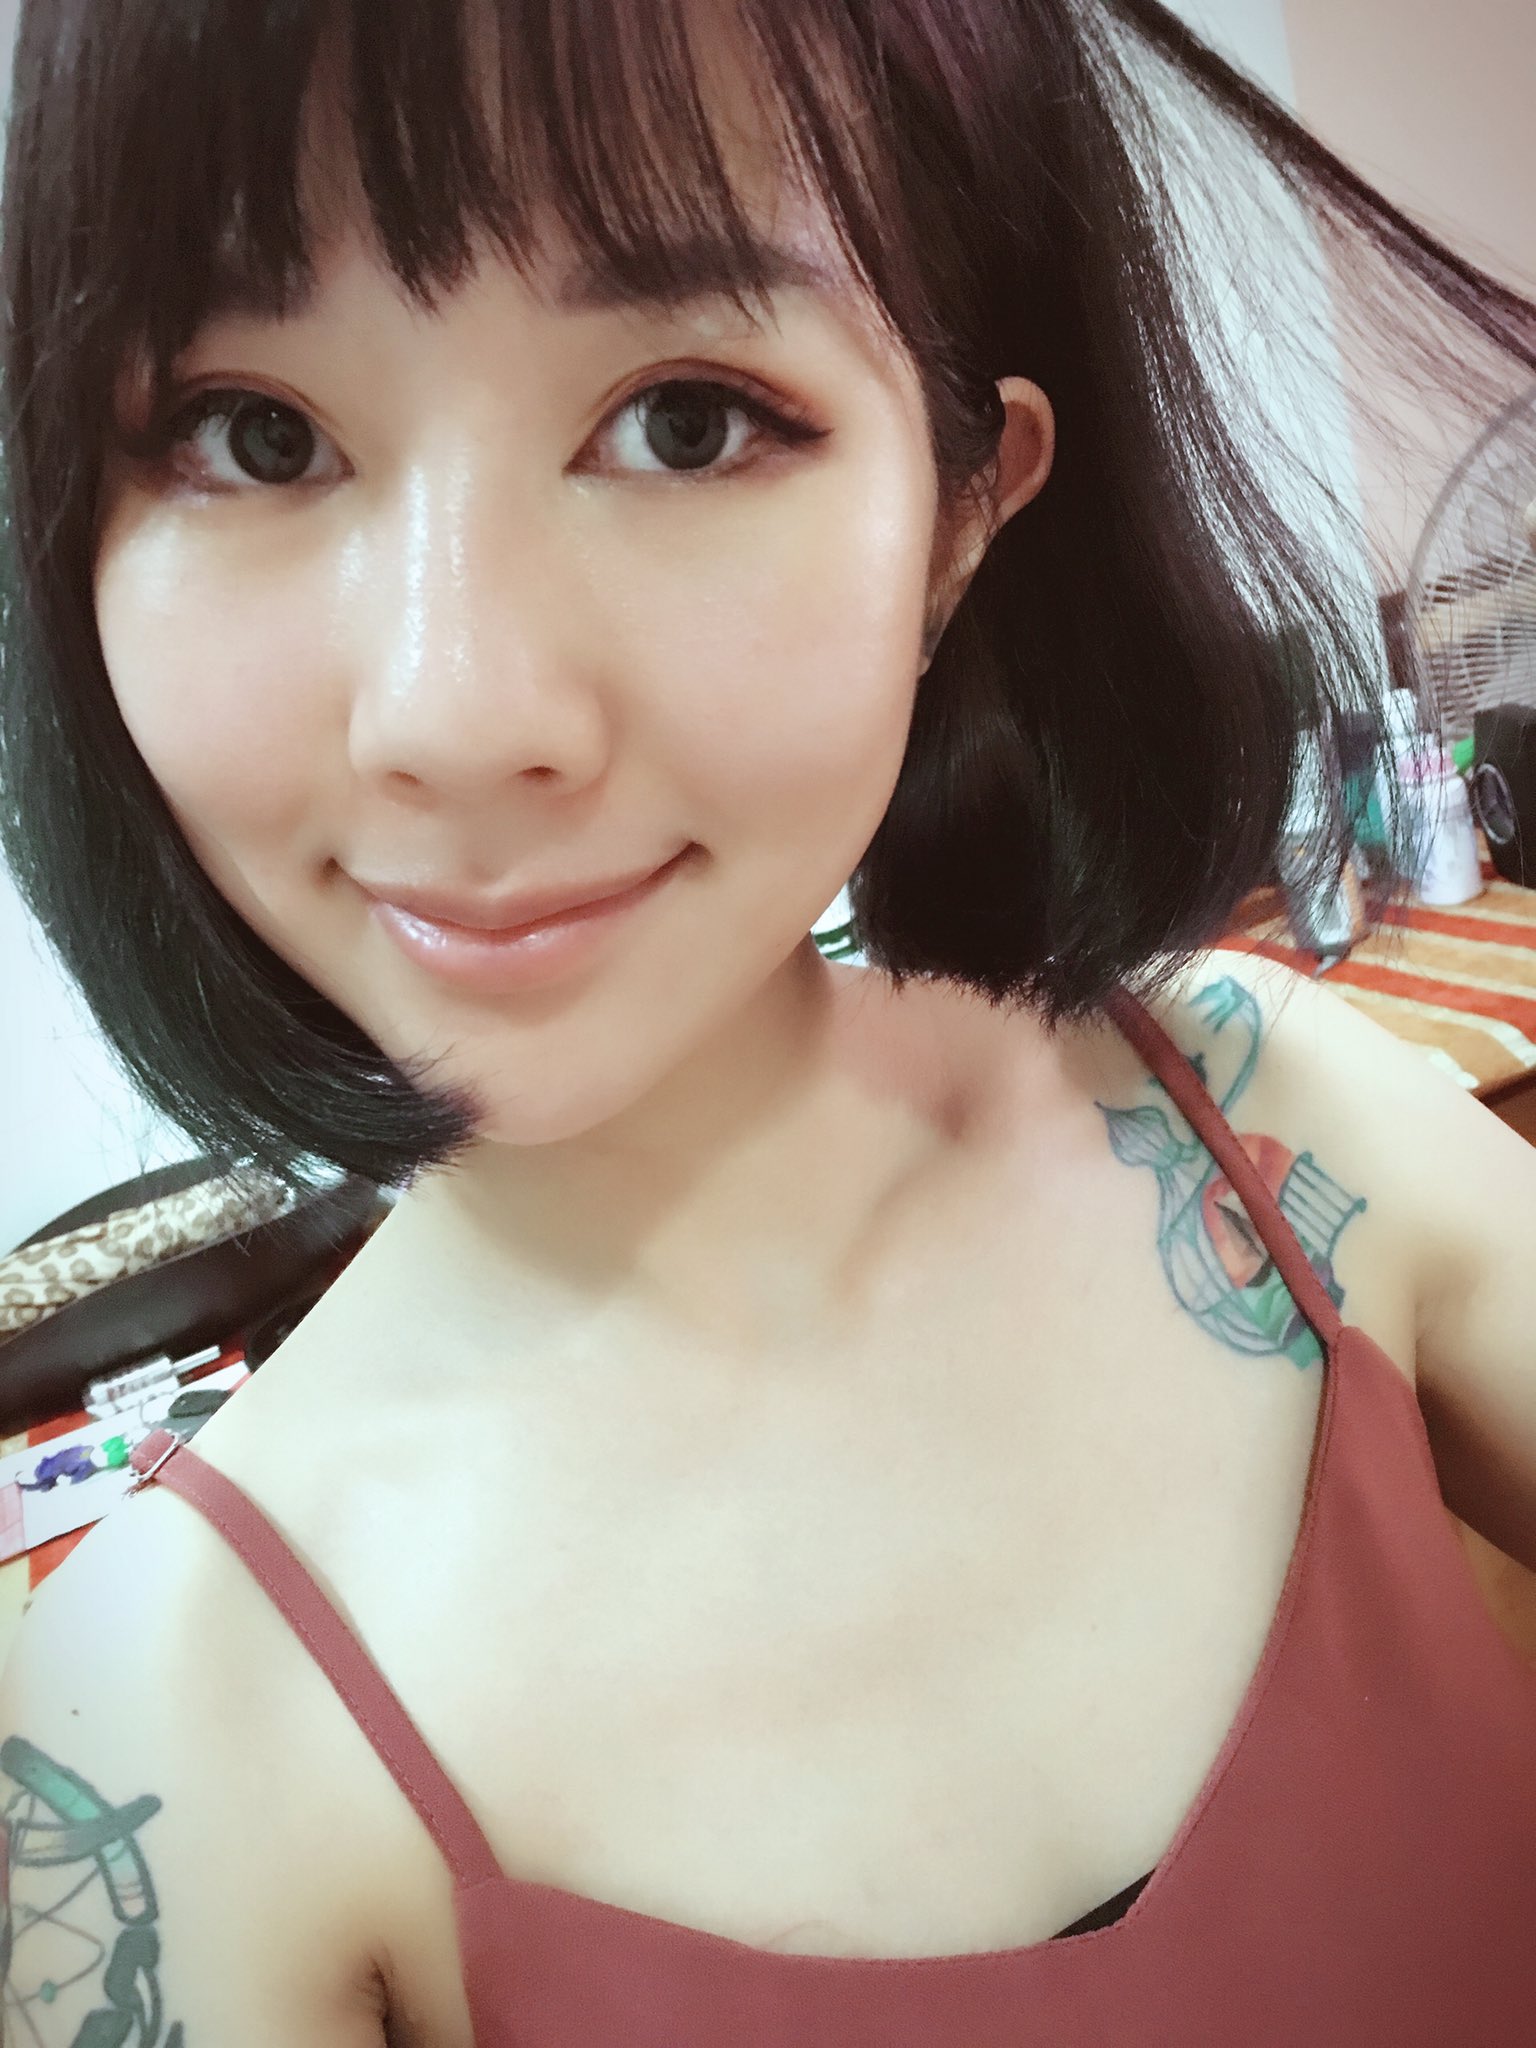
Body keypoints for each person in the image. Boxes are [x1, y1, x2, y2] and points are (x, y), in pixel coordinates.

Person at [1, 0, 1534, 2041]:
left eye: (686, 421)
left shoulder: (1287, 1136)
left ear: (966, 511)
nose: (457, 712)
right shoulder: (160, 1734)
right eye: (252, 434)